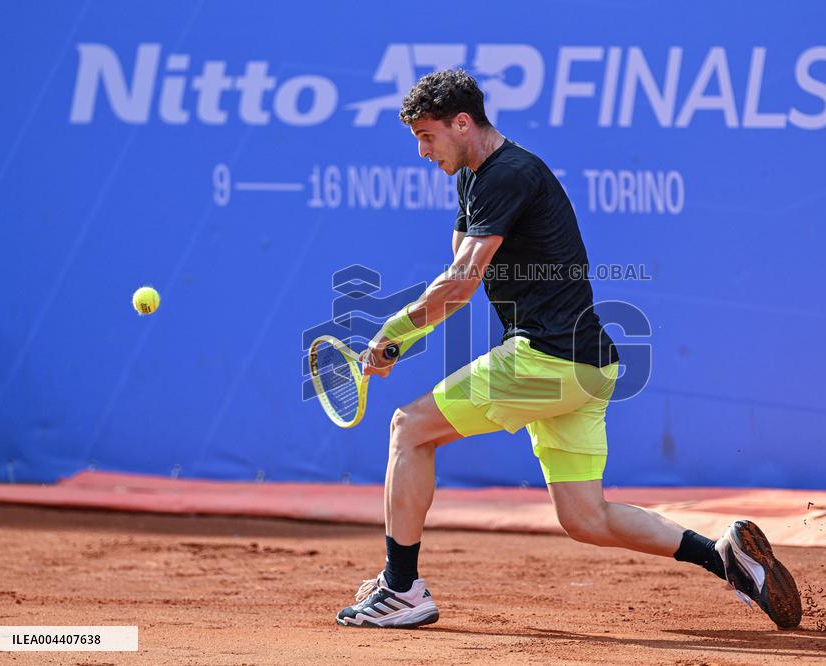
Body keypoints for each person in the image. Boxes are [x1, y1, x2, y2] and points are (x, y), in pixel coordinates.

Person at [335, 70, 801, 630]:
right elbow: (461, 276)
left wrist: (393, 333)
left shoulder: (508, 174)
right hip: (588, 368)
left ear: (462, 123)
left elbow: (459, 285)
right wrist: (405, 331)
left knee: (408, 429)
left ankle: (402, 587)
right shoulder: (479, 178)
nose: (421, 150)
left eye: (427, 135)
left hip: (545, 360)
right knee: (586, 517)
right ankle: (725, 559)